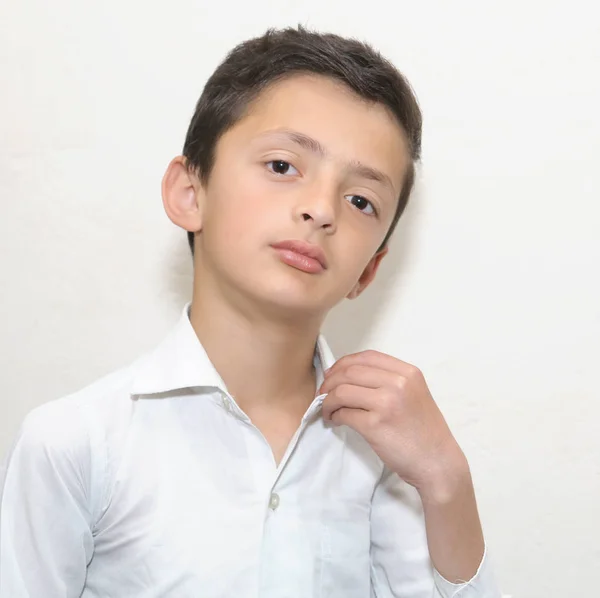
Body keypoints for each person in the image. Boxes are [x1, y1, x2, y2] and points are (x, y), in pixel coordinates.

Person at [0, 26, 502, 597]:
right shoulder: (74, 443)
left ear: (368, 269)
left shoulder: (387, 454)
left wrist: (446, 480)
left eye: (361, 200)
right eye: (283, 166)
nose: (319, 209)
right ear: (190, 193)